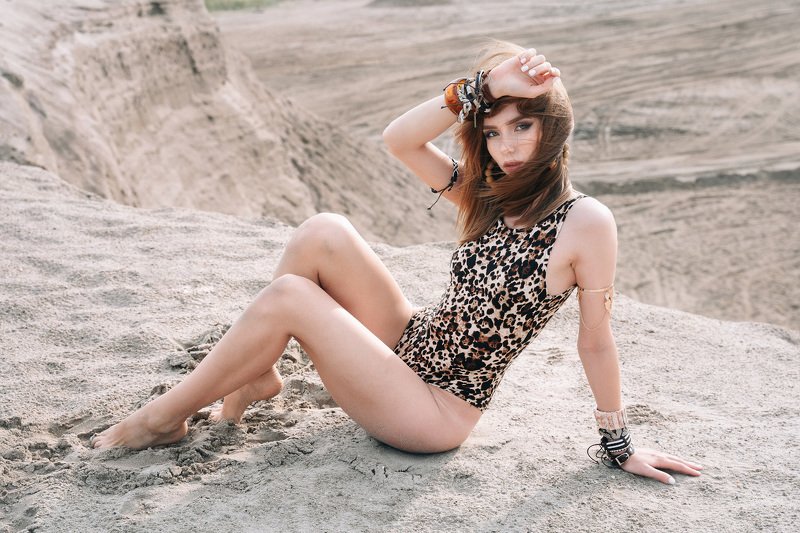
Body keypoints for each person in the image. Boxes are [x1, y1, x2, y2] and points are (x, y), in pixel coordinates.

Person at [93, 41, 702, 485]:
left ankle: (162, 420)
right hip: (413, 344)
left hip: (436, 409)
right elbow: (400, 139)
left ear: (555, 126)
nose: (507, 146)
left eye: (523, 126)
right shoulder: (490, 198)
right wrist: (480, 89)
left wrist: (618, 444)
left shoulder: (586, 223)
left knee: (289, 299)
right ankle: (257, 375)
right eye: (492, 131)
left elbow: (595, 341)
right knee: (323, 231)